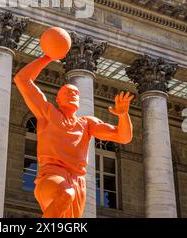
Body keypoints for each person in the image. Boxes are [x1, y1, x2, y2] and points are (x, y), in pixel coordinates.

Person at [14, 54, 134, 218]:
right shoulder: (48, 113)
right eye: (68, 92)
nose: (73, 94)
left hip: (78, 182)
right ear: (58, 99)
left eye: (76, 93)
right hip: (51, 178)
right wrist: (48, 56)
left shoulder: (87, 124)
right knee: (66, 194)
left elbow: (123, 137)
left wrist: (123, 115)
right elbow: (22, 80)